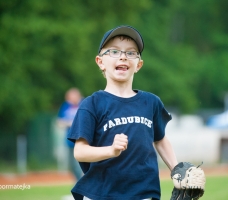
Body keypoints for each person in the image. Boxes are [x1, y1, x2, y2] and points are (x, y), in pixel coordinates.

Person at [67, 25, 178, 200]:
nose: (123, 57)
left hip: (144, 192)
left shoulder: (151, 102)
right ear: (100, 62)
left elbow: (160, 139)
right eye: (114, 51)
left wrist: (177, 170)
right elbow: (80, 152)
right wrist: (111, 150)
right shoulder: (92, 104)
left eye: (131, 52)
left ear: (138, 65)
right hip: (103, 193)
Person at [57, 88, 83, 181]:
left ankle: (84, 185)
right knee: (72, 166)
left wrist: (71, 122)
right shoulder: (65, 106)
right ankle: (77, 184)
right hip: (70, 141)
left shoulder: (84, 104)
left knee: (80, 165)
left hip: (83, 140)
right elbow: (59, 122)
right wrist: (70, 122)